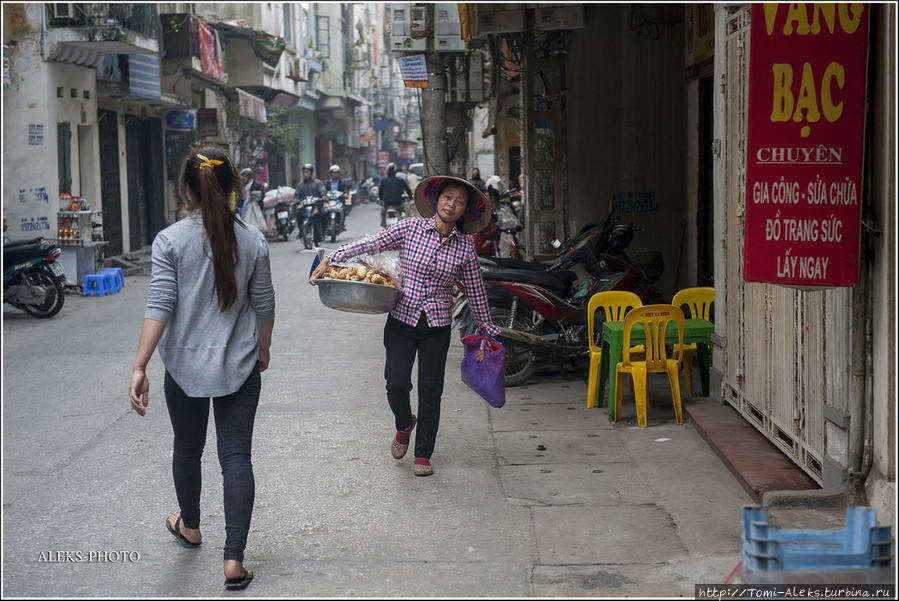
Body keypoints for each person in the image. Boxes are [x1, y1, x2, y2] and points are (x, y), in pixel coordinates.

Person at [128, 144, 275, 591]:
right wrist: (262, 349)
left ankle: (190, 526)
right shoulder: (252, 238)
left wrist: (140, 365)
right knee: (236, 458)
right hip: (239, 364)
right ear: (233, 186)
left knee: (187, 448)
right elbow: (264, 305)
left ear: (186, 189)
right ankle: (233, 561)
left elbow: (161, 304)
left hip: (183, 368)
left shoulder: (170, 240)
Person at [310, 175, 498, 477]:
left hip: (436, 326)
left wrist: (488, 331)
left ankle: (423, 454)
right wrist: (331, 258)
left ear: (466, 211)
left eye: (460, 202)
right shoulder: (410, 228)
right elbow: (372, 242)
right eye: (448, 197)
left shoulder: (465, 249)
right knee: (396, 382)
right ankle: (403, 423)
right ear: (436, 199)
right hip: (401, 320)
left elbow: (476, 292)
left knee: (430, 391)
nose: (452, 205)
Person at [295, 163, 327, 242]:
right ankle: (301, 232)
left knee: (323, 214)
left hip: (315, 206)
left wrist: (323, 195)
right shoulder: (300, 185)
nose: (305, 174)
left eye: (307, 172)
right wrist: (296, 199)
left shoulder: (317, 182)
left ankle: (323, 232)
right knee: (298, 215)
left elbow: (322, 189)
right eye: (304, 172)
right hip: (304, 206)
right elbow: (297, 194)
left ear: (311, 173)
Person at [378, 163, 412, 227]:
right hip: (398, 204)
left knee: (382, 213)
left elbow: (380, 192)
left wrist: (380, 199)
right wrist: (410, 196)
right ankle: (409, 225)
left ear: (387, 171)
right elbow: (408, 190)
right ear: (395, 171)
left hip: (387, 205)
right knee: (408, 211)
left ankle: (384, 225)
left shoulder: (383, 180)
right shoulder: (400, 180)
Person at [326, 164, 349, 232]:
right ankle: (325, 226)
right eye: (333, 173)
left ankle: (341, 224)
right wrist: (323, 195)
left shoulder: (342, 183)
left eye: (336, 173)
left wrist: (345, 194)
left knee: (344, 210)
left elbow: (345, 190)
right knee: (322, 212)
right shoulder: (327, 183)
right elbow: (323, 190)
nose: (335, 174)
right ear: (330, 173)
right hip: (328, 202)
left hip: (339, 201)